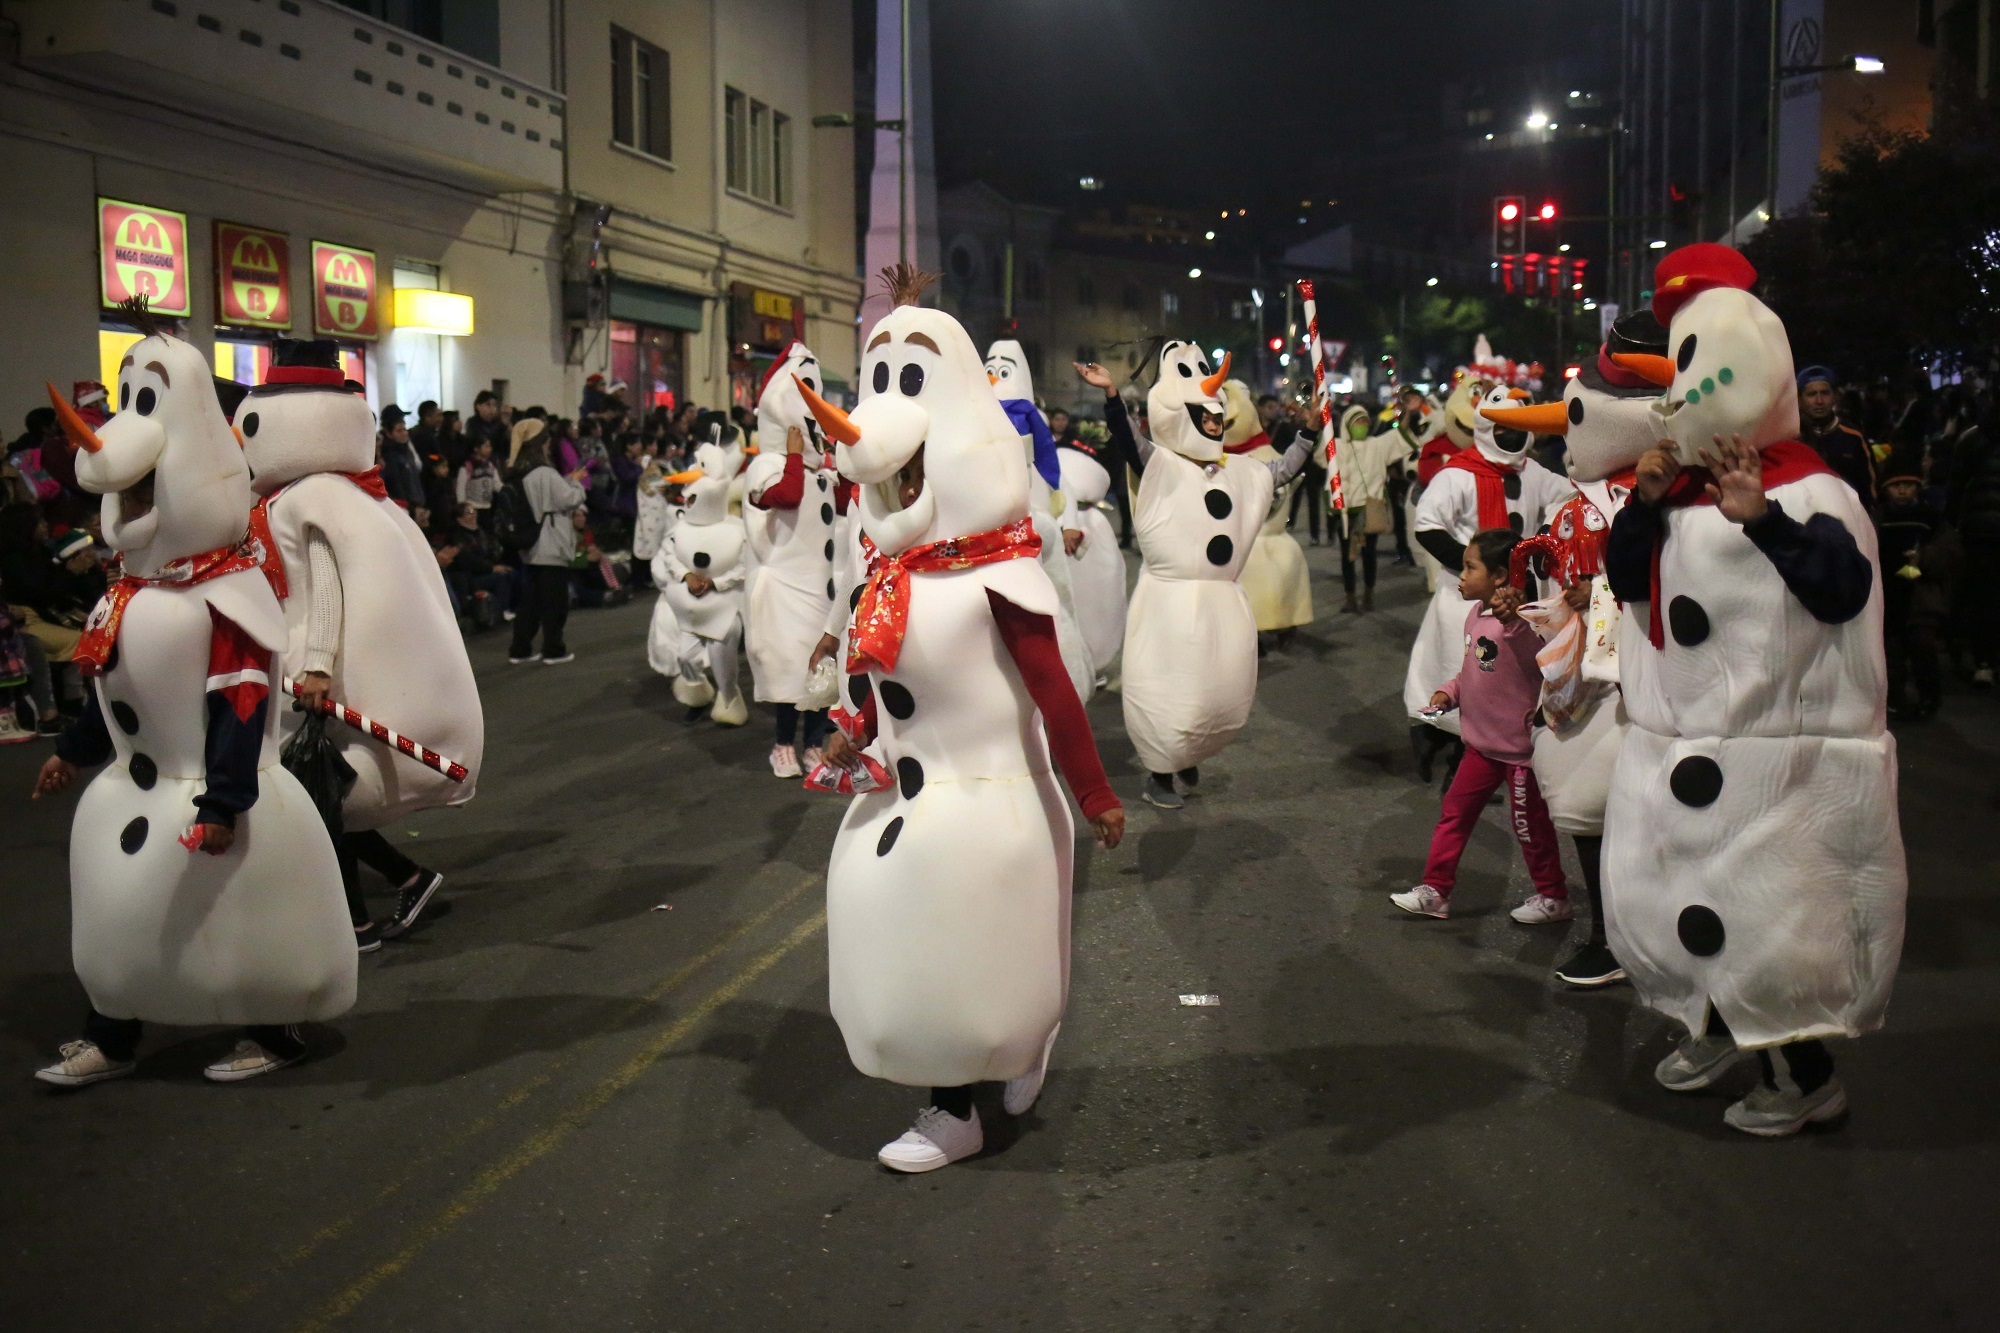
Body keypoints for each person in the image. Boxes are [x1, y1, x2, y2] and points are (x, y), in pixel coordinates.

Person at [796, 266, 1125, 1172]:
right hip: (903, 795)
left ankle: (958, 1105)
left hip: (986, 798)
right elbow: (880, 674)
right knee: (898, 936)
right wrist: (852, 729)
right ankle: (989, 1062)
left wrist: (1094, 793)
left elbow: (1055, 692)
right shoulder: (889, 570)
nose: (899, 485)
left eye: (912, 466)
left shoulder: (999, 571)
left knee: (957, 951)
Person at [1602, 243, 1904, 1138]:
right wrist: (1645, 503)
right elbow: (1628, 581)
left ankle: (1807, 1077)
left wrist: (1764, 521)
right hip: (1678, 744)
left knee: (1770, 925)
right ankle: (1720, 1026)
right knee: (1679, 903)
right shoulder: (1679, 488)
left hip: (1779, 757)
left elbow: (1841, 590)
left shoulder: (1813, 488)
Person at [29, 307, 352, 1087]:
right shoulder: (131, 591)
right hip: (132, 794)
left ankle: (274, 1029)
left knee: (236, 922)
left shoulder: (224, 594)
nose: (132, 507)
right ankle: (112, 1031)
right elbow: (116, 690)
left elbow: (238, 700)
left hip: (212, 797)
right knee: (121, 919)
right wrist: (76, 752)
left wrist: (223, 800)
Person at [240, 339, 482, 945]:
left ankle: (358, 916)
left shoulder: (312, 498)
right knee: (317, 795)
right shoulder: (300, 497)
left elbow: (326, 589)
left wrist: (317, 664)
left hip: (314, 675)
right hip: (294, 671)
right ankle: (399, 883)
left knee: (318, 797)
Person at [1085, 348, 1312, 810]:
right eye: (1203, 417)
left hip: (1222, 602)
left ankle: (1186, 754)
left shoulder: (1241, 473)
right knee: (1169, 690)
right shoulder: (1161, 465)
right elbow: (1129, 443)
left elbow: (1284, 470)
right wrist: (1111, 395)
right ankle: (1160, 771)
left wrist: (1310, 429)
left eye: (1216, 417)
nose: (1213, 423)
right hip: (1170, 601)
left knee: (1216, 690)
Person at [1390, 529, 1572, 924]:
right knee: (1453, 814)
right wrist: (1448, 693)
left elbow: (1535, 663)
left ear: (1500, 578)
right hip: (1480, 747)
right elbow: (1472, 669)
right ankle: (1435, 891)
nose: (1461, 572)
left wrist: (1515, 622)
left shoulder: (1526, 622)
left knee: (1530, 829)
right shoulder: (1475, 615)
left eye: (1470, 566)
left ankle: (1553, 896)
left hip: (1520, 753)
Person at [1875, 454, 1957, 719]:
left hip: (1920, 595)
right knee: (1891, 653)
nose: (1901, 490)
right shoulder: (1879, 518)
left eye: (1908, 485)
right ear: (1885, 489)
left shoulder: (1929, 518)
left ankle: (1929, 697)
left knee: (1923, 648)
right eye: (1895, 485)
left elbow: (1951, 550)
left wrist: (1924, 558)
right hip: (1889, 593)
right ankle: (1895, 700)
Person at [507, 431, 588, 665]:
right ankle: (553, 649)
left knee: (529, 603)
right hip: (551, 542)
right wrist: (576, 484)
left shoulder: (520, 472)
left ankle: (519, 649)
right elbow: (568, 500)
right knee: (554, 603)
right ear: (540, 445)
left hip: (531, 543)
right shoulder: (545, 473)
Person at [1797, 366, 1877, 505]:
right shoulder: (1793, 438)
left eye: (1825, 393)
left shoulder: (1853, 436)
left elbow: (1870, 489)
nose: (1819, 401)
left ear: (1835, 397)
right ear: (1799, 399)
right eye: (1811, 394)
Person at [455, 437, 502, 519]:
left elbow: (496, 484)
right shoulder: (467, 466)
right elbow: (461, 487)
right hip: (472, 506)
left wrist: (506, 489)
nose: (489, 449)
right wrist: (462, 505)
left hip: (487, 506)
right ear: (476, 449)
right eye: (486, 446)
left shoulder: (490, 465)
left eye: (490, 446)